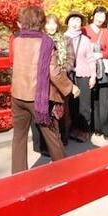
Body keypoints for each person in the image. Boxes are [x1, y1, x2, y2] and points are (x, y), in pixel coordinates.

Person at [10, 5, 80, 173]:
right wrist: (70, 87)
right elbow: (54, 72)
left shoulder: (16, 39)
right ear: (40, 21)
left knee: (18, 137)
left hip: (17, 95)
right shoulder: (45, 41)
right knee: (52, 136)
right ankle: (64, 173)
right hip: (39, 97)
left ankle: (18, 176)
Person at [31, 15, 74, 156]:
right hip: (45, 82)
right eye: (48, 24)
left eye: (53, 24)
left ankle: (63, 139)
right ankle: (48, 144)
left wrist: (62, 70)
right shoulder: (40, 40)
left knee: (63, 112)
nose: (51, 27)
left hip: (61, 80)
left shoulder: (66, 39)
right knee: (47, 112)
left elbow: (70, 59)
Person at [84, 6, 108, 140]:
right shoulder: (84, 30)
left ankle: (106, 128)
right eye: (98, 15)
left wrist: (99, 55)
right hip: (88, 68)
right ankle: (96, 128)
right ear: (93, 15)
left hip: (102, 67)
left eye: (103, 16)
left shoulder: (106, 32)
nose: (100, 18)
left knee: (104, 99)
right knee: (93, 99)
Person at [66, 12, 94, 143]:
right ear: (68, 22)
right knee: (72, 104)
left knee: (84, 104)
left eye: (78, 20)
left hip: (84, 74)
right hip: (68, 75)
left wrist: (93, 75)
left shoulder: (85, 40)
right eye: (73, 20)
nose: (76, 22)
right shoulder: (62, 38)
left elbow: (91, 58)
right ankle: (73, 129)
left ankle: (85, 131)